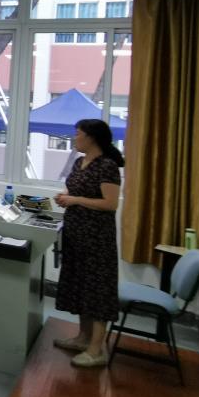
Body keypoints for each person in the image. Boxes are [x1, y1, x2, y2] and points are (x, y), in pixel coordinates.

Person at [53, 119, 124, 368]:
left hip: (97, 239)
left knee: (96, 291)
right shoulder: (78, 162)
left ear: (91, 137)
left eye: (78, 134)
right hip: (76, 235)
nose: (75, 138)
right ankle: (83, 338)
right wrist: (65, 197)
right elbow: (76, 192)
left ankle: (96, 350)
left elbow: (110, 204)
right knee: (80, 287)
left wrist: (75, 200)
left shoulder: (107, 166)